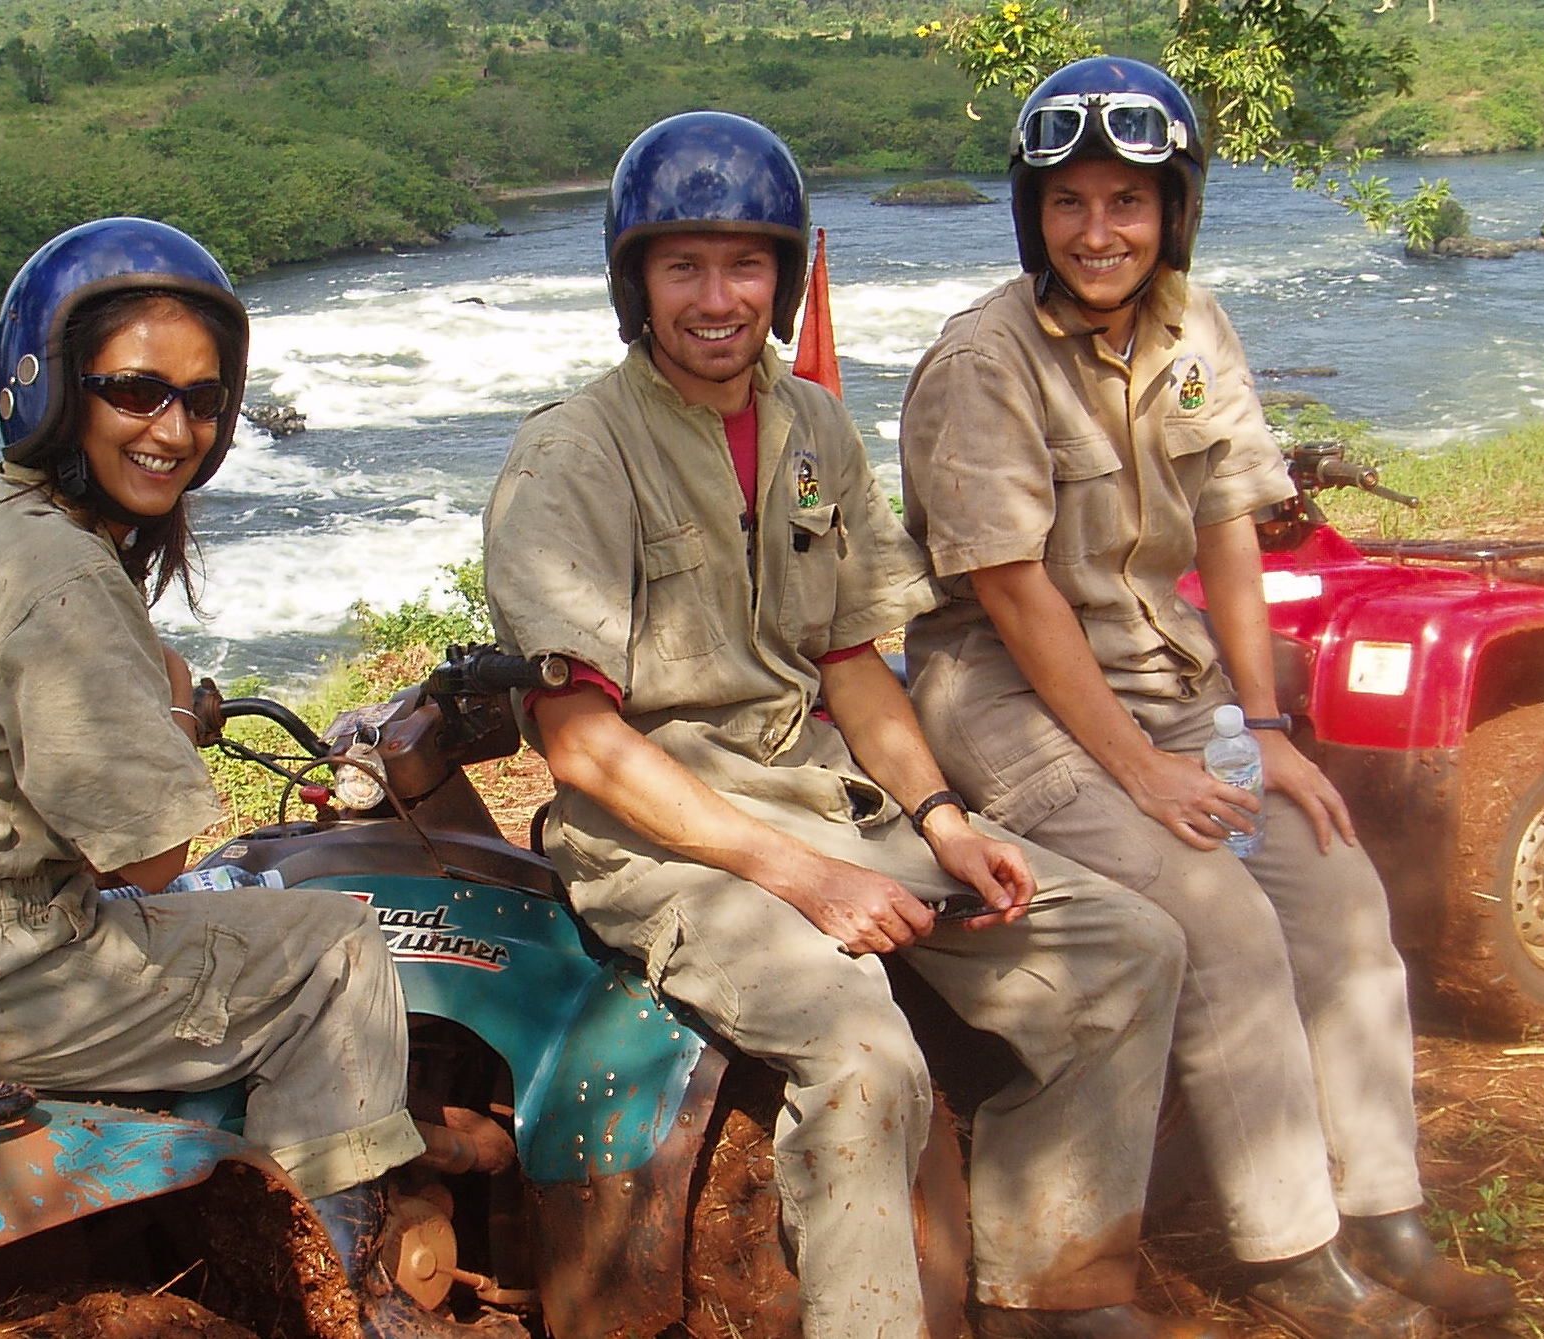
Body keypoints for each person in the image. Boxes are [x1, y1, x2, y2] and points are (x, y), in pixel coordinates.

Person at [485, 111, 1216, 1339]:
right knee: (863, 1055)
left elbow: (852, 666)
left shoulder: (812, 427)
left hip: (826, 795)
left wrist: (940, 817)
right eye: (683, 267)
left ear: (781, 276)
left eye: (745, 265)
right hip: (665, 838)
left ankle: (1049, 1285)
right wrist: (805, 879)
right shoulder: (571, 457)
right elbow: (581, 747)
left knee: (1125, 947)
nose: (717, 298)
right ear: (635, 281)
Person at [897, 57, 1516, 1339]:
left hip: (1162, 678)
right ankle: (1292, 1251)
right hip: (1013, 701)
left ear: (1171, 209)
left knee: (1337, 885)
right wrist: (1144, 771)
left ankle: (1384, 1210)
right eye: (1068, 204)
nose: (1098, 231)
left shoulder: (1192, 329)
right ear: (1035, 218)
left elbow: (1232, 527)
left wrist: (1266, 728)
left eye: (1126, 201)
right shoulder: (982, 362)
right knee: (1220, 916)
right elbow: (1014, 595)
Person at [0, 217, 486, 1339]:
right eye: (134, 391)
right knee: (334, 941)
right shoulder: (69, 584)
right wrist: (174, 712)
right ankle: (351, 1279)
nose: (173, 428)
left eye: (202, 400)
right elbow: (152, 856)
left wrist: (161, 687)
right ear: (54, 389)